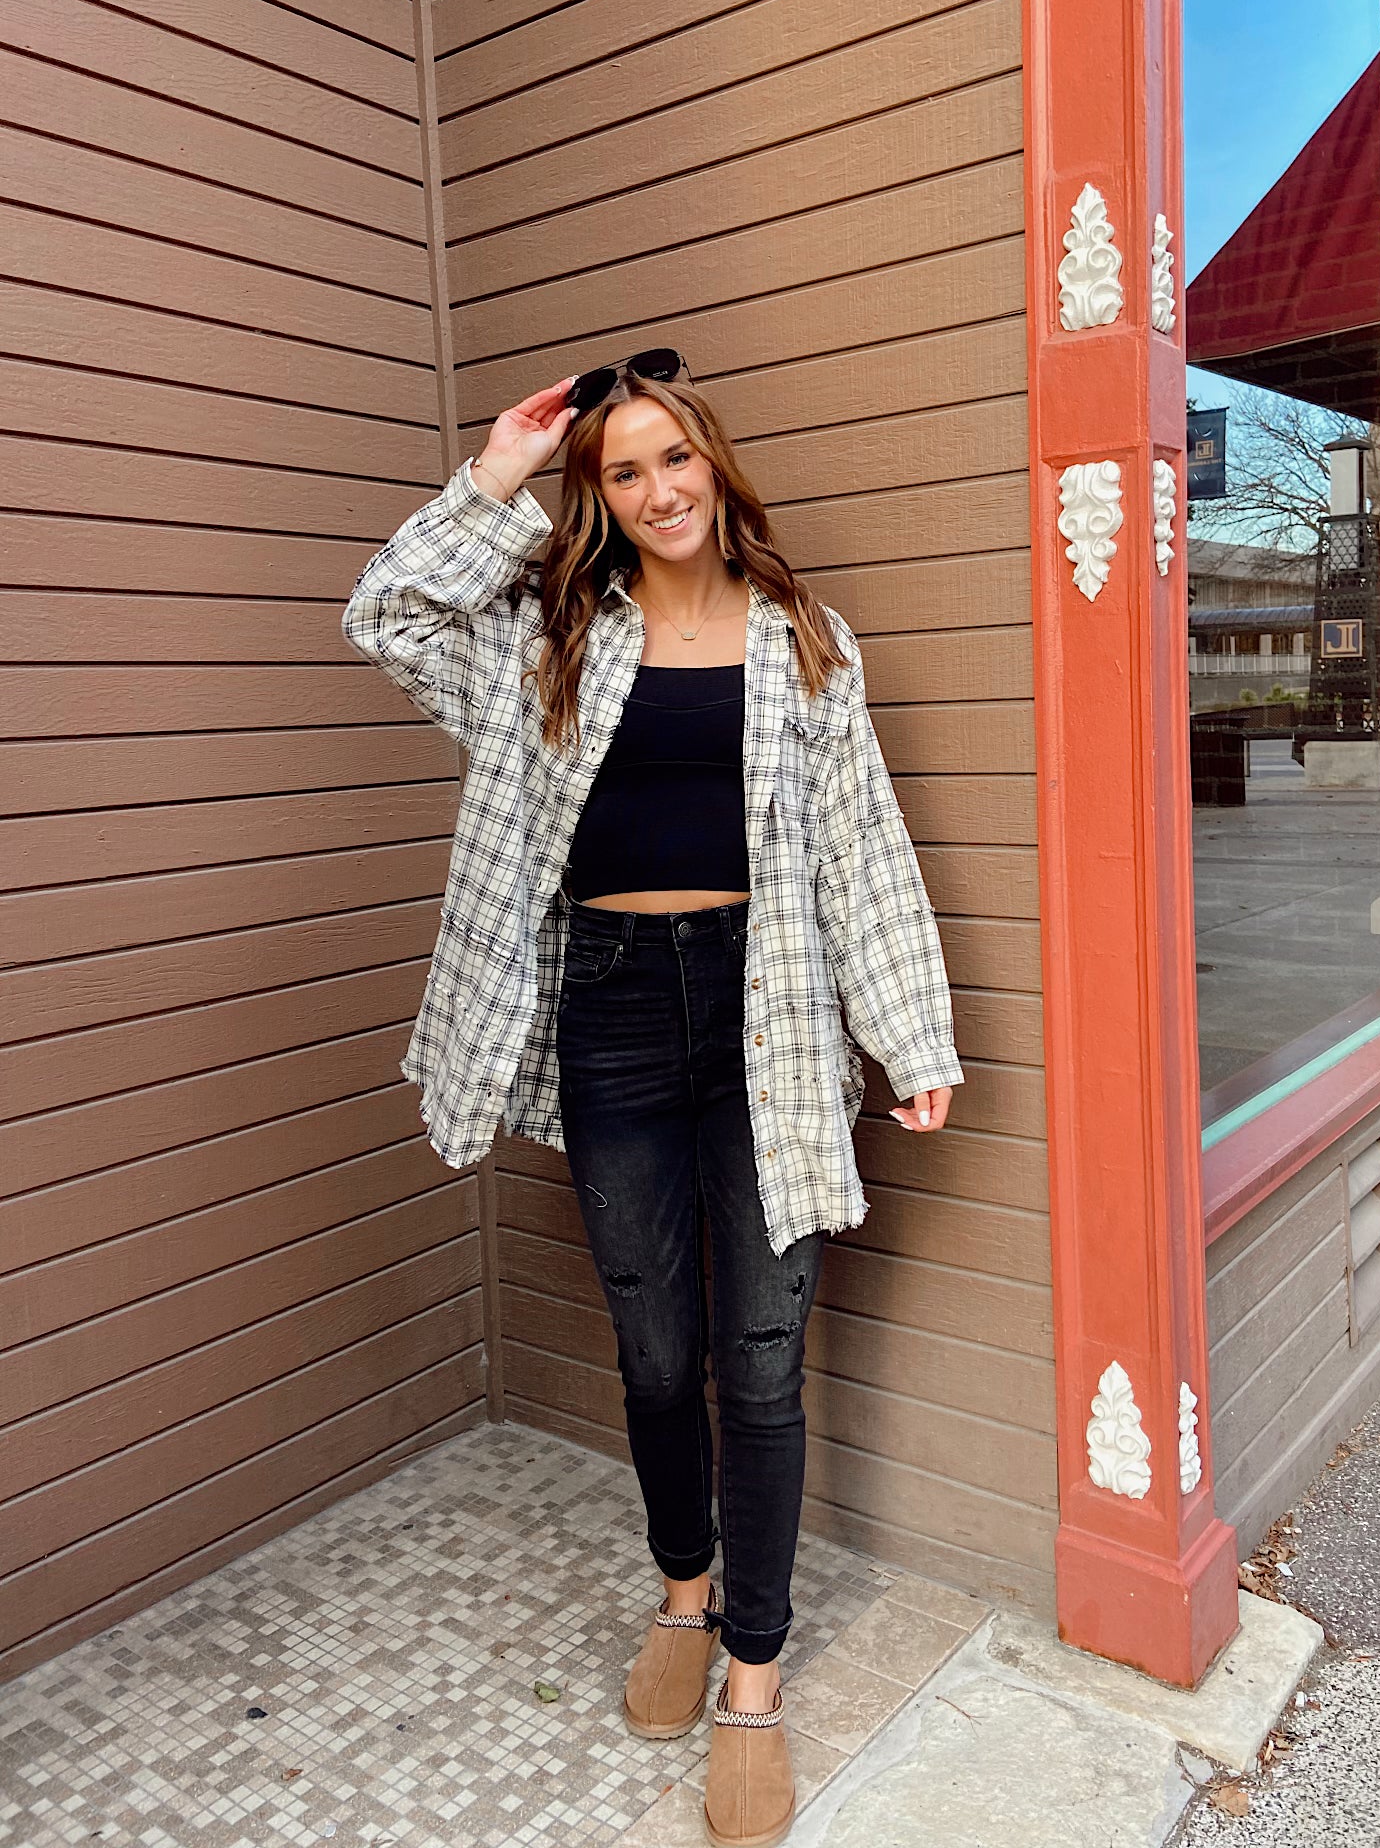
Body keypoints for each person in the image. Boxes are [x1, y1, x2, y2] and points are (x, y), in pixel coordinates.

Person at [342, 352, 963, 1848]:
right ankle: (682, 1594)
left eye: (673, 457)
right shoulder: (546, 635)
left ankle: (754, 1675)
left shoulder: (807, 640)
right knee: (656, 1347)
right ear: (599, 498)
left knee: (762, 1358)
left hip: (770, 1010)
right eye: (623, 471)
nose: (657, 489)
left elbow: (860, 846)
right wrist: (497, 474)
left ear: (713, 464)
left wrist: (910, 1038)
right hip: (611, 1009)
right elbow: (387, 616)